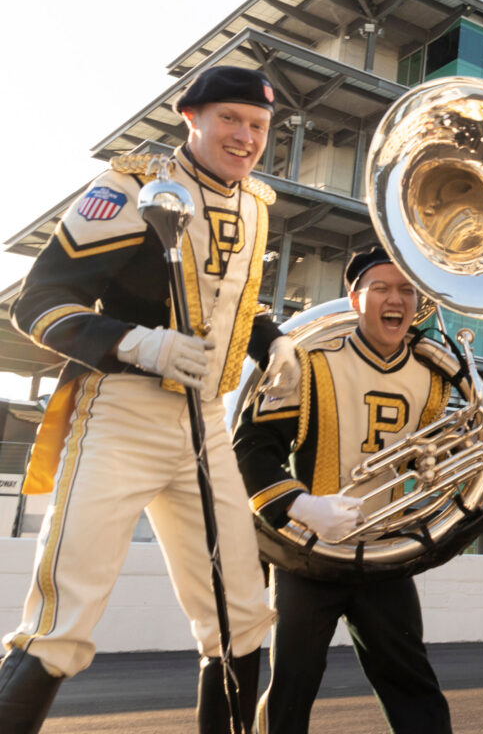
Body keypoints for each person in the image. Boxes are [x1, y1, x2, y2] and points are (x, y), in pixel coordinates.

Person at [0, 66, 301, 734]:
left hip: (207, 426)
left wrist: (272, 342)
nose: (246, 136)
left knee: (241, 617)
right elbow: (39, 303)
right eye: (230, 118)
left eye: (258, 125)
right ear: (188, 117)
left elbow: (228, 301)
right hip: (122, 412)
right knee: (61, 621)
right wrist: (138, 343)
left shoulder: (255, 203)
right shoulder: (134, 184)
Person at [232, 247, 483, 733]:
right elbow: (251, 448)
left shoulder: (434, 370)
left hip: (384, 554)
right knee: (292, 688)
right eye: (381, 288)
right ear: (354, 300)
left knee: (415, 689)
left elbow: (427, 454)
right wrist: (302, 506)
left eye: (405, 289)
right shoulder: (307, 360)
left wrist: (480, 432)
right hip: (309, 553)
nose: (395, 298)